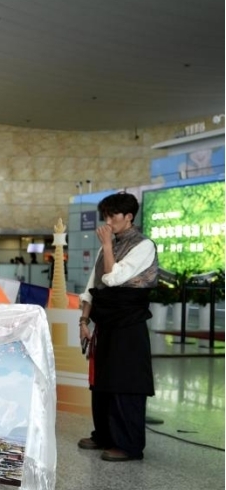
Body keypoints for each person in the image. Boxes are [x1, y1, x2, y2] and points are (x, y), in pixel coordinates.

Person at [77, 192, 157, 462]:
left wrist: (107, 246)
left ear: (129, 216)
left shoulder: (144, 245)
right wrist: (84, 320)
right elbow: (93, 286)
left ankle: (128, 445)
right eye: (105, 216)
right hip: (105, 321)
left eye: (113, 216)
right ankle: (103, 435)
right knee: (102, 383)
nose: (108, 221)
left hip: (128, 323)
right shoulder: (107, 247)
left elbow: (113, 279)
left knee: (126, 382)